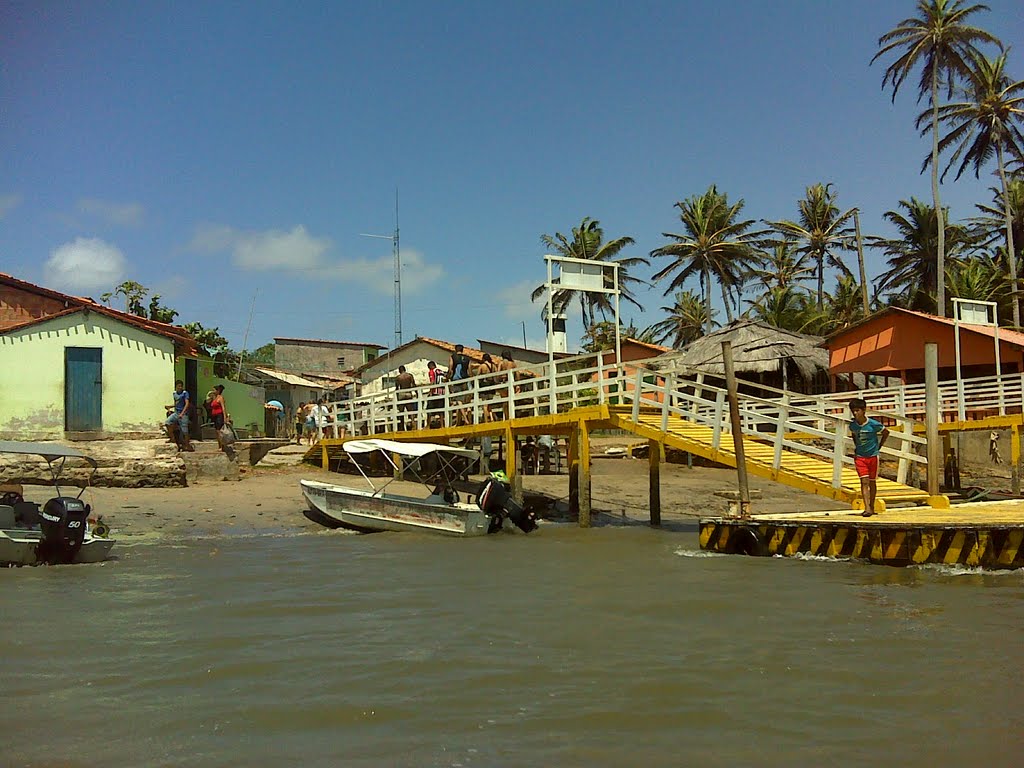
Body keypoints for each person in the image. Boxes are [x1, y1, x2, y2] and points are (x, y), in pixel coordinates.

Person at [849, 397, 889, 517]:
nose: (856, 413)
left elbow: (886, 432)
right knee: (864, 481)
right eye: (853, 411)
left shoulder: (873, 424)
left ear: (863, 410)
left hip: (873, 456)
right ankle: (867, 508)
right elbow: (854, 435)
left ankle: (871, 505)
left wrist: (879, 446)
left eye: (858, 410)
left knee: (872, 482)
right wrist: (856, 447)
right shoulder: (853, 425)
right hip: (860, 457)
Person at [164, 380, 193, 452]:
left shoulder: (185, 393)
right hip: (176, 412)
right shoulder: (174, 394)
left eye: (181, 386)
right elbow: (176, 403)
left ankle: (187, 445)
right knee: (168, 422)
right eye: (178, 386)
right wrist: (170, 407)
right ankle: (172, 438)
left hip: (183, 413)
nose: (180, 387)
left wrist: (182, 413)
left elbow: (187, 404)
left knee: (184, 430)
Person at [209, 384, 231, 452]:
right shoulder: (214, 398)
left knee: (219, 432)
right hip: (215, 416)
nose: (213, 391)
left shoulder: (220, 398)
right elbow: (207, 401)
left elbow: (223, 408)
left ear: (218, 391)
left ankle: (222, 446)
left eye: (214, 390)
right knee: (217, 431)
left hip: (219, 416)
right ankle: (220, 446)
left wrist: (225, 417)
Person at [395, 365, 417, 431]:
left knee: (401, 411)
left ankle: (401, 427)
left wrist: (397, 397)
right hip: (408, 393)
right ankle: (413, 424)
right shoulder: (409, 376)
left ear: (399, 370)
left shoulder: (398, 377)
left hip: (401, 394)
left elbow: (397, 387)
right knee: (410, 410)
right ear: (405, 369)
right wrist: (417, 393)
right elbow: (413, 384)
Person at [427, 361, 447, 428]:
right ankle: (442, 425)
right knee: (441, 410)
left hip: (435, 392)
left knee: (429, 410)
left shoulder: (432, 371)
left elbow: (432, 382)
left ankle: (428, 425)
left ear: (430, 366)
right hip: (442, 392)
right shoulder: (441, 371)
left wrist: (430, 391)